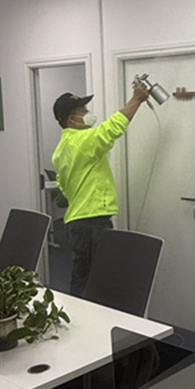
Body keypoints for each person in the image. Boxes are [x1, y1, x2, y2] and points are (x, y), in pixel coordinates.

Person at [51, 82, 151, 297]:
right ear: (72, 119)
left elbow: (63, 185)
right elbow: (112, 128)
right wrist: (136, 99)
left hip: (79, 222)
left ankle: (78, 314)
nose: (88, 113)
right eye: (83, 111)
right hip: (92, 223)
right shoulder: (82, 141)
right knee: (96, 282)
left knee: (82, 278)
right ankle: (87, 316)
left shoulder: (61, 149)